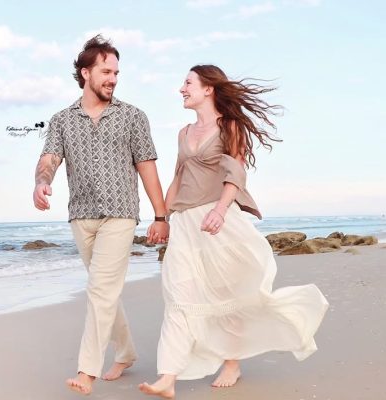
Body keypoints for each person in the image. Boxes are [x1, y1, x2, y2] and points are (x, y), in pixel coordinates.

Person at [139, 65, 329, 398]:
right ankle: (168, 378)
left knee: (228, 292)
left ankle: (232, 361)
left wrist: (220, 210)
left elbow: (236, 172)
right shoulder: (184, 133)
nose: (181, 89)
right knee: (178, 295)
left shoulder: (230, 127)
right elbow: (178, 177)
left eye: (188, 83)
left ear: (208, 88)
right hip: (185, 223)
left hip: (219, 221)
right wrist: (162, 218)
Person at [33, 35, 170, 395]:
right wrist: (41, 183)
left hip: (120, 214)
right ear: (86, 73)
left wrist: (161, 216)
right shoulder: (62, 120)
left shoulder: (132, 116)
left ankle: (87, 371)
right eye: (106, 72)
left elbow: (147, 166)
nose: (113, 79)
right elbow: (49, 159)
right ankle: (125, 352)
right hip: (81, 216)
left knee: (99, 291)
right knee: (104, 292)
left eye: (116, 73)